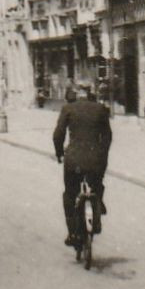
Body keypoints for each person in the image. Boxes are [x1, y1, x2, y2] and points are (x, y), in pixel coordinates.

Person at [53, 82, 112, 247]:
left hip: (74, 159)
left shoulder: (68, 108)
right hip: (95, 159)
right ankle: (97, 207)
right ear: (91, 92)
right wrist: (103, 155)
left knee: (70, 195)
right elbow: (107, 136)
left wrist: (59, 153)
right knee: (97, 185)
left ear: (77, 92)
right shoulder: (100, 109)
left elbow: (58, 134)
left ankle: (72, 232)